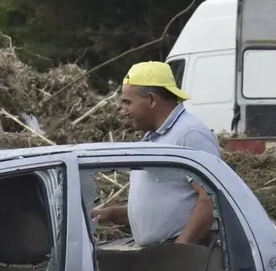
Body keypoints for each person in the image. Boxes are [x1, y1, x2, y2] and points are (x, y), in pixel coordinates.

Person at [89, 61, 221, 246]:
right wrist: (112, 214)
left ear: (151, 100)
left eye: (128, 103)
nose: (124, 111)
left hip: (185, 255)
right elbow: (161, 206)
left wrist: (179, 250)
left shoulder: (189, 134)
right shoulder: (154, 137)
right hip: (162, 253)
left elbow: (210, 199)